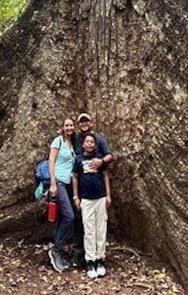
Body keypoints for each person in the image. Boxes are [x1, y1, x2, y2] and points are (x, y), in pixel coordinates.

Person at [70, 112, 114, 266]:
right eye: (81, 122)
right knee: (80, 221)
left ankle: (99, 258)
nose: (84, 124)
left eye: (86, 121)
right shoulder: (75, 137)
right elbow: (74, 175)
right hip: (82, 189)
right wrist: (76, 196)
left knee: (99, 226)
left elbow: (110, 156)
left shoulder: (98, 138)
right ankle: (80, 254)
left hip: (99, 190)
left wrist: (101, 161)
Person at [47, 118, 76, 272]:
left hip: (69, 184)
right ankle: (56, 250)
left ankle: (58, 250)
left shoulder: (74, 143)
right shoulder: (57, 141)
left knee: (62, 218)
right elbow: (51, 161)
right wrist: (52, 183)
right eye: (66, 125)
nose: (69, 127)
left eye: (71, 125)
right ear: (63, 127)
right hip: (59, 182)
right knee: (69, 217)